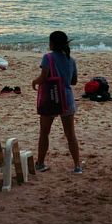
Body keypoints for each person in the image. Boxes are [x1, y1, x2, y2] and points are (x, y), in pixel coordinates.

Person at [31, 30, 81, 173]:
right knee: (70, 134)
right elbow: (74, 81)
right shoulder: (71, 60)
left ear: (52, 43)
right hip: (67, 99)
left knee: (44, 132)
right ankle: (77, 165)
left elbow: (43, 77)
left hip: (51, 99)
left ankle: (40, 163)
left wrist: (34, 82)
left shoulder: (48, 58)